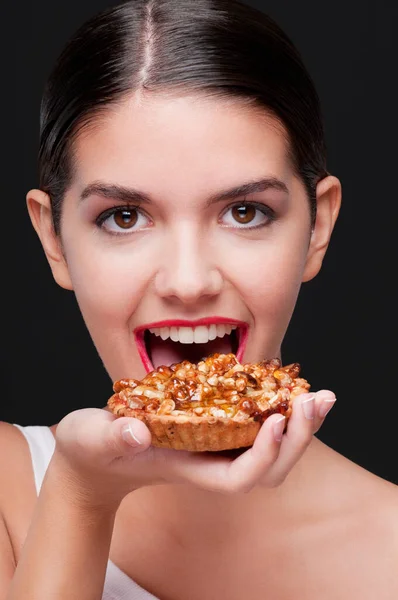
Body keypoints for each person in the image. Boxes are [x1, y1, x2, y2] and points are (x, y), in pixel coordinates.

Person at [1, 0, 397, 598]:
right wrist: (79, 497)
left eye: (244, 212)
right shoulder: (10, 490)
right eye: (124, 216)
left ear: (318, 229)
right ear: (53, 239)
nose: (187, 282)